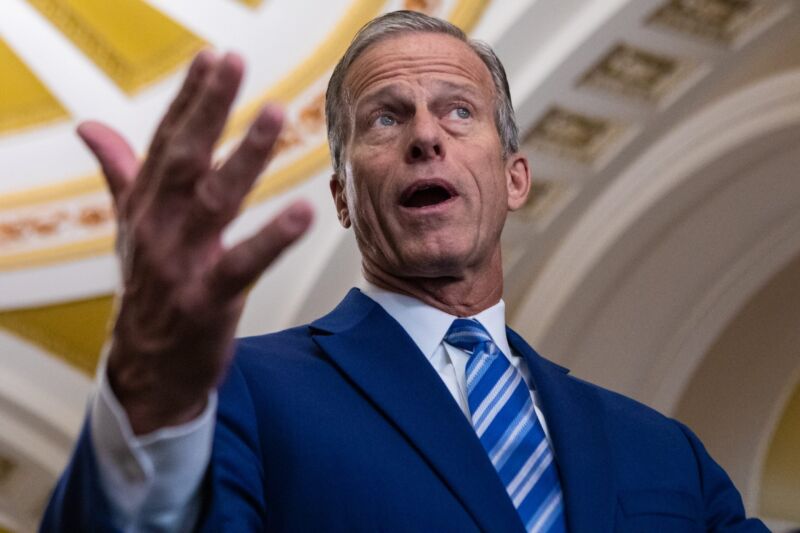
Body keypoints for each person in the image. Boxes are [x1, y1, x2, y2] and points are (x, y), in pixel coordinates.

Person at [41, 11, 768, 532]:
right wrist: (148, 385)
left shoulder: (663, 448)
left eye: (458, 112)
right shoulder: (240, 395)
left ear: (516, 177)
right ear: (342, 197)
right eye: (385, 119)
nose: (426, 134)